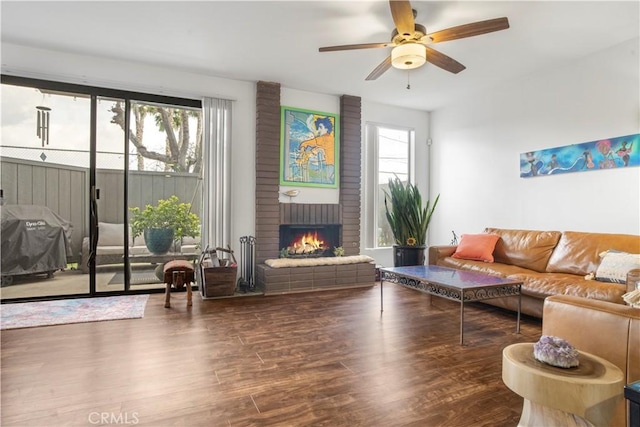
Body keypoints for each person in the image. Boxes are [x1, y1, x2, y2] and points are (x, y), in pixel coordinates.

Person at [298, 117, 335, 183]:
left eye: (320, 127)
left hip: (328, 166)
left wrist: (302, 150)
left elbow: (305, 143)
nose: (318, 130)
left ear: (326, 128)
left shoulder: (320, 139)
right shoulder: (333, 139)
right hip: (333, 166)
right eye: (318, 127)